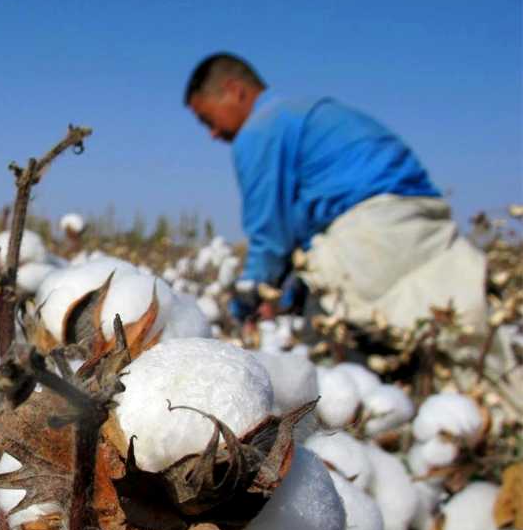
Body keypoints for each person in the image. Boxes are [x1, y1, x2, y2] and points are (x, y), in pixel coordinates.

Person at [183, 53, 488, 333]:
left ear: (235, 90)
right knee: (456, 330)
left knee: (331, 355)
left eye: (208, 120)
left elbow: (270, 237)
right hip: (423, 222)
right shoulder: (308, 112)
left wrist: (241, 306)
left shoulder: (260, 129)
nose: (212, 133)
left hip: (372, 235)